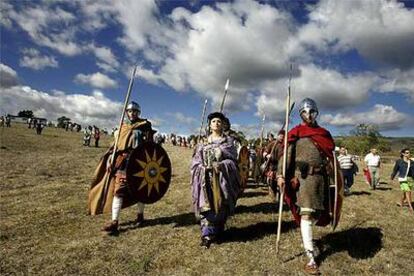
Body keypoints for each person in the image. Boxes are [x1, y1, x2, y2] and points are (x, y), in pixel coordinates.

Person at [276, 98, 337, 275]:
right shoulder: (296, 133)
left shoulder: (324, 134)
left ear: (316, 113)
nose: (308, 115)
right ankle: (310, 257)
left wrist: (335, 176)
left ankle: (307, 237)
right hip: (304, 180)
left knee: (317, 214)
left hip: (322, 180)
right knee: (307, 214)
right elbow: (286, 156)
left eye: (311, 112)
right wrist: (280, 174)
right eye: (305, 112)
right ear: (301, 114)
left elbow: (330, 157)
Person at [88, 101, 154, 234]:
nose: (132, 113)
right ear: (126, 113)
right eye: (130, 111)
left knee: (140, 190)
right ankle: (114, 222)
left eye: (135, 111)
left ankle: (140, 216)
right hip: (123, 161)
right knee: (119, 190)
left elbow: (150, 146)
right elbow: (115, 146)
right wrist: (111, 158)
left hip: (139, 162)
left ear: (138, 113)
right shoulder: (121, 127)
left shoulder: (144, 126)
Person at [191, 112, 240, 248]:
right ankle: (206, 234)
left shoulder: (228, 143)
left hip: (221, 179)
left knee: (220, 204)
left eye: (219, 121)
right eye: (213, 121)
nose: (216, 123)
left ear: (222, 124)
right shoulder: (203, 142)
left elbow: (233, 162)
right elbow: (195, 161)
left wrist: (222, 165)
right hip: (205, 180)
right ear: (210, 125)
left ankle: (218, 229)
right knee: (206, 205)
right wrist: (201, 168)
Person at [262, 129, 285, 200]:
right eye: (280, 135)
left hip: (282, 166)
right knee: (272, 183)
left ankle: (281, 197)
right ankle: (273, 195)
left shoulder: (285, 144)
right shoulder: (272, 143)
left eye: (283, 136)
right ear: (278, 136)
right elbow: (264, 153)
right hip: (273, 166)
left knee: (281, 182)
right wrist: (267, 155)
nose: (282, 137)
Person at [390, 148, 414, 213]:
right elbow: (395, 170)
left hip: (410, 179)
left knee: (405, 192)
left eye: (409, 153)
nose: (409, 154)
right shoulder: (399, 161)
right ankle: (411, 208)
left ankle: (401, 202)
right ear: (403, 154)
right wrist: (392, 177)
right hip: (402, 178)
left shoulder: (411, 162)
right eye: (407, 153)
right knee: (408, 192)